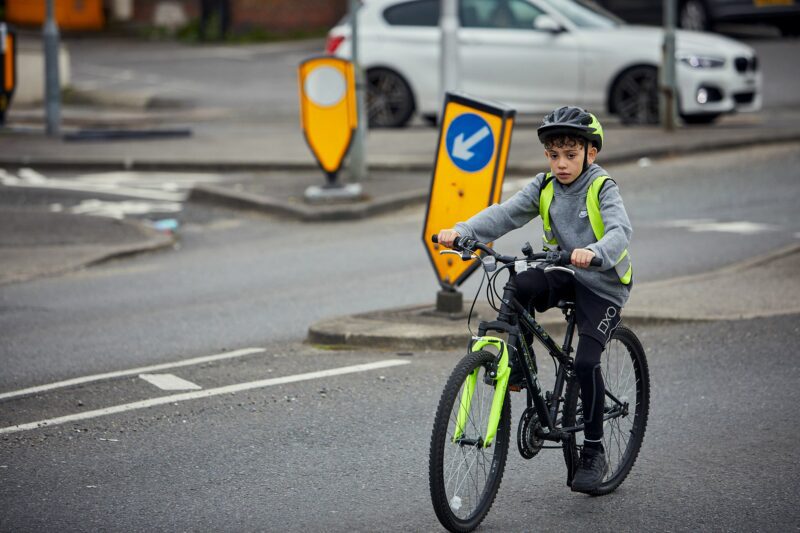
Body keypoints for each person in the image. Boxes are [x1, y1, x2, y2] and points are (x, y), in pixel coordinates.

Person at [437, 106, 633, 493]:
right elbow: (505, 214)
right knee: (521, 285)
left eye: (571, 155)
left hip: (602, 283)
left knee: (586, 362)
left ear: (590, 154)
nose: (561, 164)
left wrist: (594, 251)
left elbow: (620, 230)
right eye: (554, 155)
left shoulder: (601, 187)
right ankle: (518, 368)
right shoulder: (544, 186)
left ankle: (593, 451)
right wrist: (463, 231)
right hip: (563, 272)